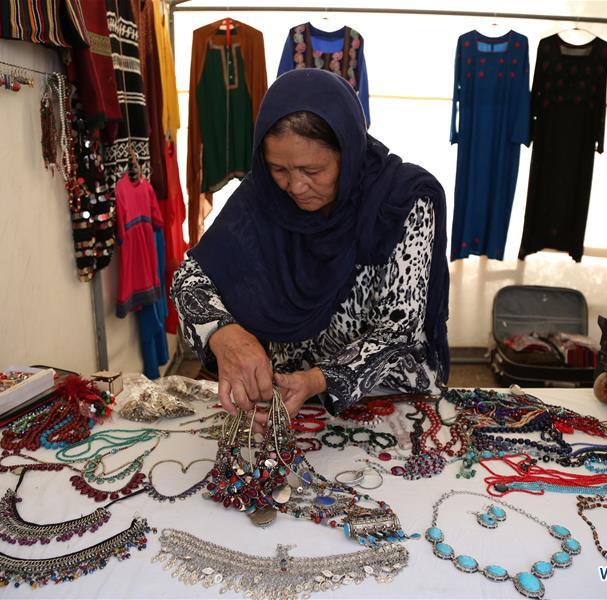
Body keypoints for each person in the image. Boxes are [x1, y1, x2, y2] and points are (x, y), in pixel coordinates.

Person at [170, 69, 449, 426]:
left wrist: (320, 378)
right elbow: (189, 280)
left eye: (312, 170)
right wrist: (225, 334)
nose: (296, 187)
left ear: (347, 153)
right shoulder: (263, 197)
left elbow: (399, 329)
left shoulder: (399, 201)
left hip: (388, 395)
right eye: (279, 169)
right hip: (289, 394)